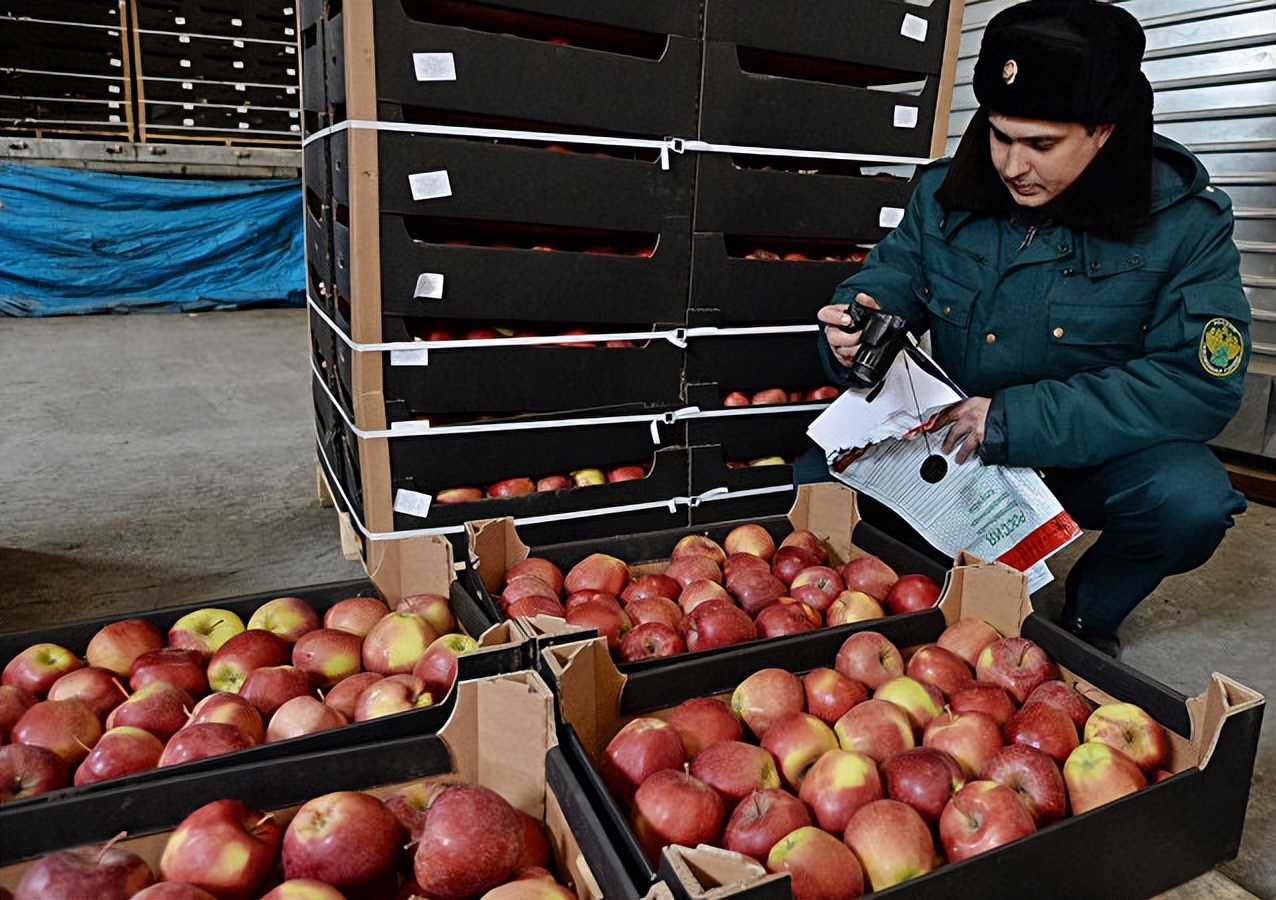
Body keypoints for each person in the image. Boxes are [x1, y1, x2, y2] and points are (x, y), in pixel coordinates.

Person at [815, 0, 1250, 657]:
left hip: (1088, 455)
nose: (1012, 166)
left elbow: (1197, 383)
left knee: (1189, 500)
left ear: (1105, 131)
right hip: (960, 447)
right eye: (997, 134)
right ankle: (935, 593)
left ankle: (1088, 618)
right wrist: (857, 323)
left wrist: (1019, 420)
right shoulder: (945, 194)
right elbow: (893, 276)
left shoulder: (1186, 224)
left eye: (1041, 145)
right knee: (812, 485)